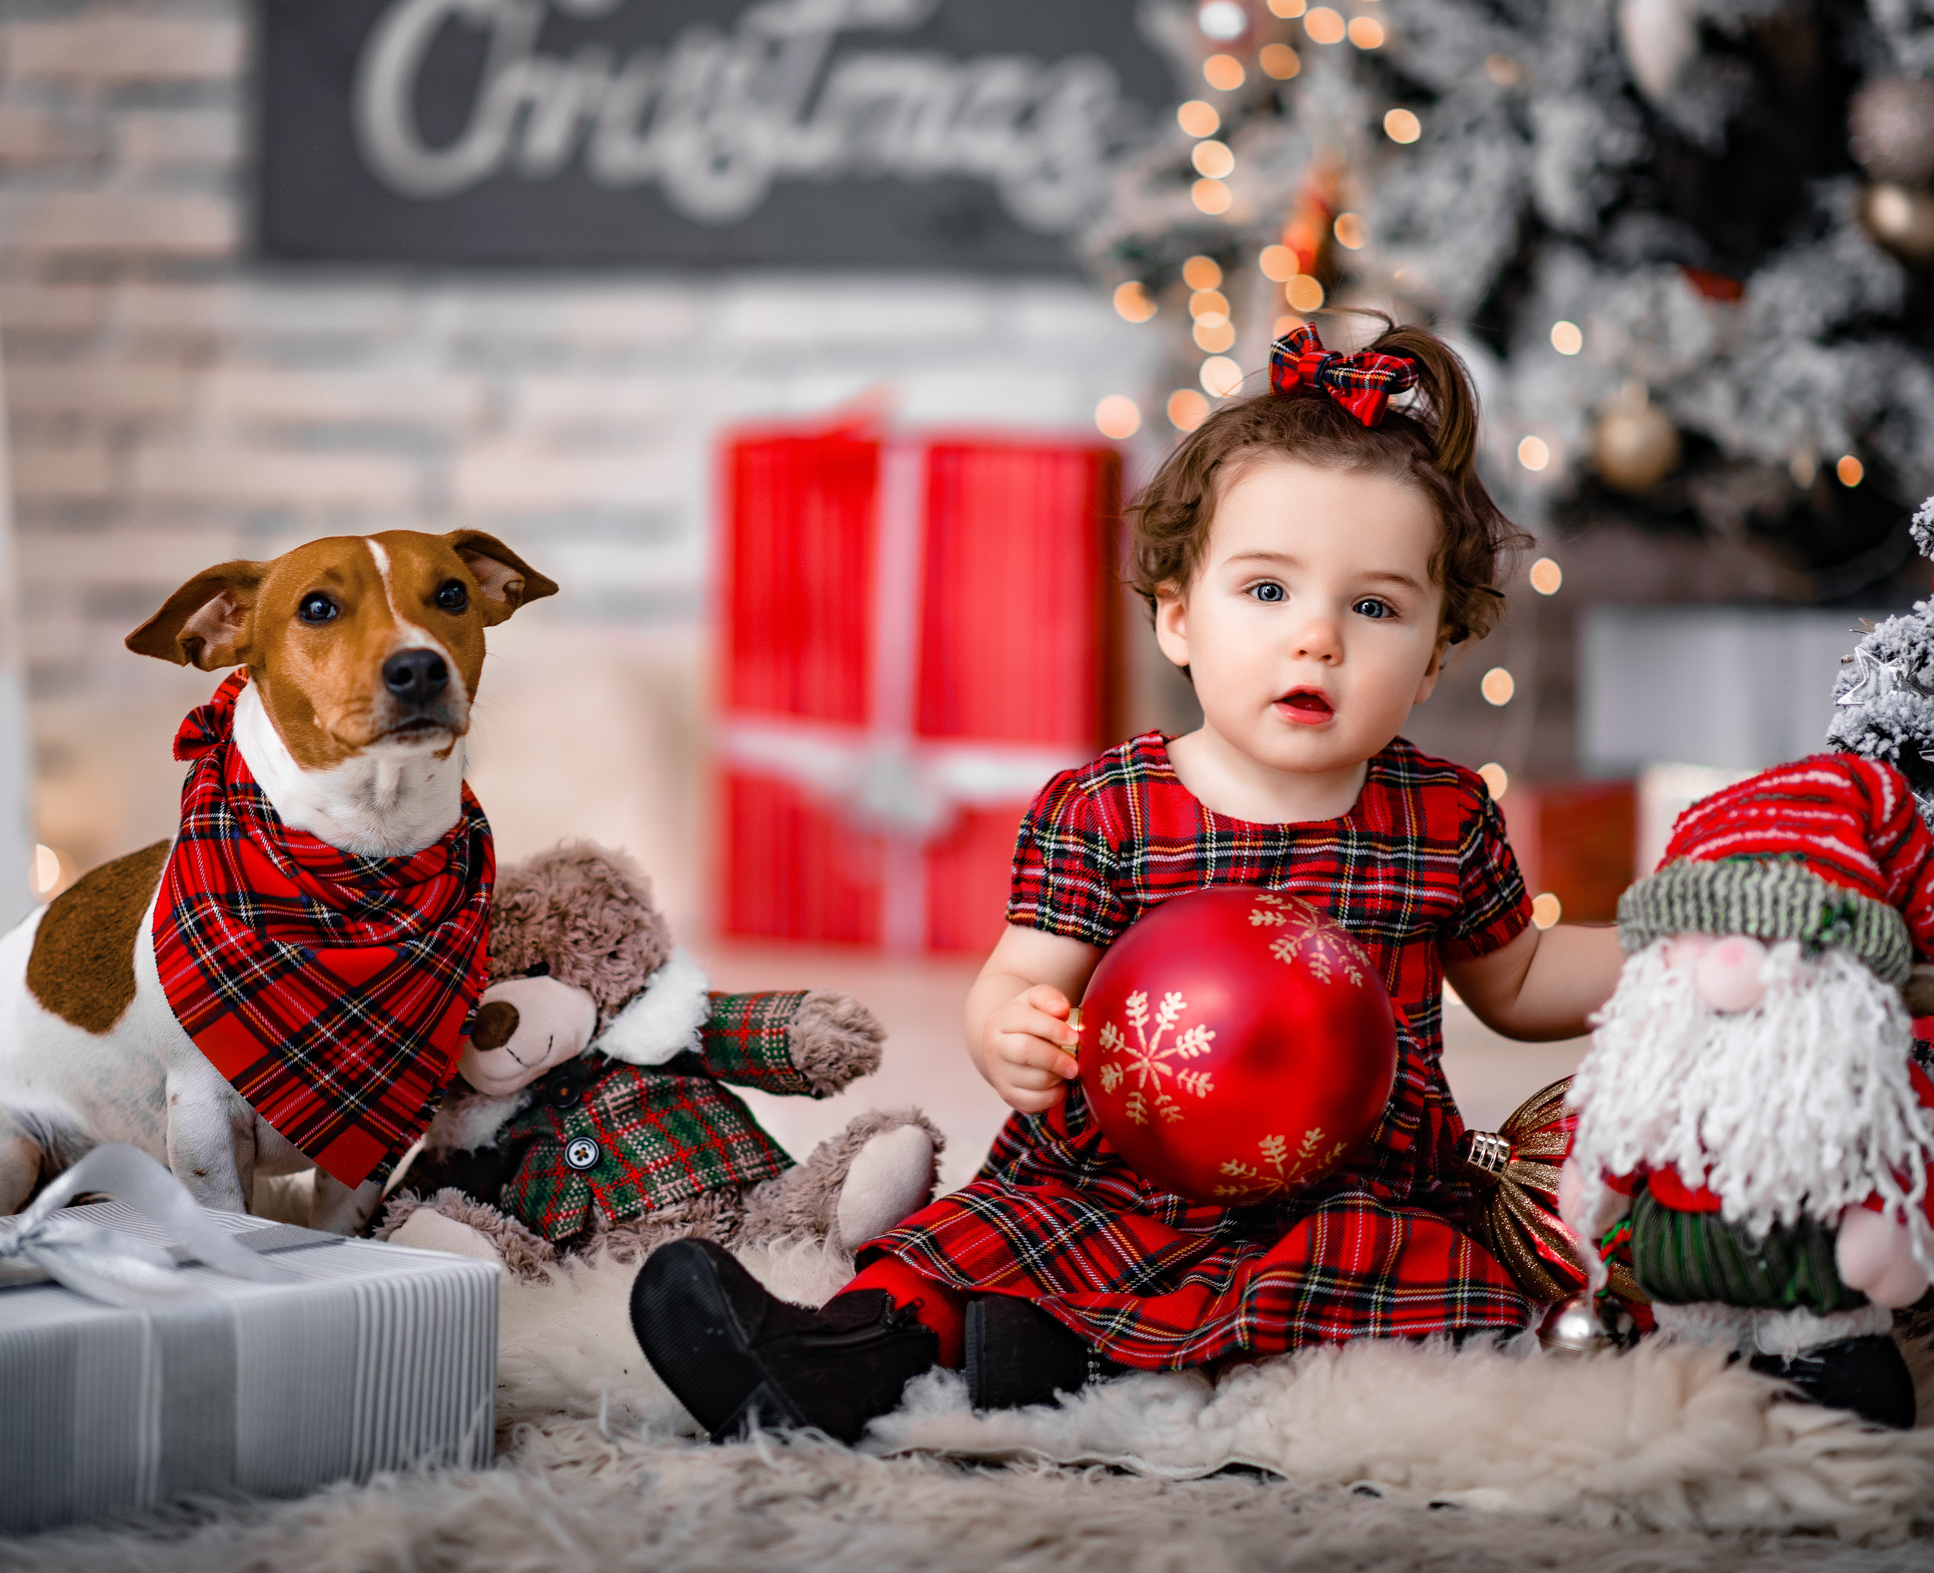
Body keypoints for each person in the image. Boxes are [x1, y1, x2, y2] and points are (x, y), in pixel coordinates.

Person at [630, 320, 1625, 1441]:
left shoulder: (1440, 815)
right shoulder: (1107, 805)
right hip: (1123, 1169)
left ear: (1437, 652)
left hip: (1353, 1180)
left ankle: (1079, 1363)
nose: (1318, 640)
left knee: (1410, 1289)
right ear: (1176, 615)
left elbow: (1521, 976)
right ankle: (843, 1353)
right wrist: (1013, 1030)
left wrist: (1672, 950)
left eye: (1375, 607)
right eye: (1266, 590)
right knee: (992, 1236)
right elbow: (1020, 974)